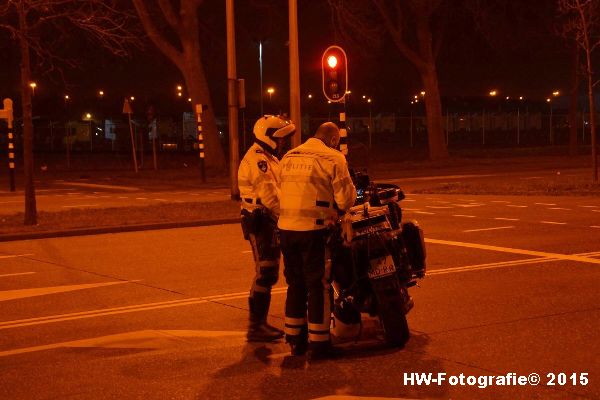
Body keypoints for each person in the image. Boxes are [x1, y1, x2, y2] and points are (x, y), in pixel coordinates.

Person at [278, 122, 357, 359]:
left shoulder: (289, 156)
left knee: (295, 284)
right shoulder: (333, 158)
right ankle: (320, 343)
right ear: (333, 140)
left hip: (286, 228)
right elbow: (345, 198)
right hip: (314, 230)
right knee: (318, 285)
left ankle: (295, 338)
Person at [238, 115, 296, 342]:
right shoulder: (258, 160)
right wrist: (292, 216)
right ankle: (256, 327)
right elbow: (272, 198)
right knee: (265, 272)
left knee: (268, 273)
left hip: (270, 221)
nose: (283, 143)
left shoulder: (269, 157)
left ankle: (258, 325)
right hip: (261, 222)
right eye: (280, 139)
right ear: (269, 137)